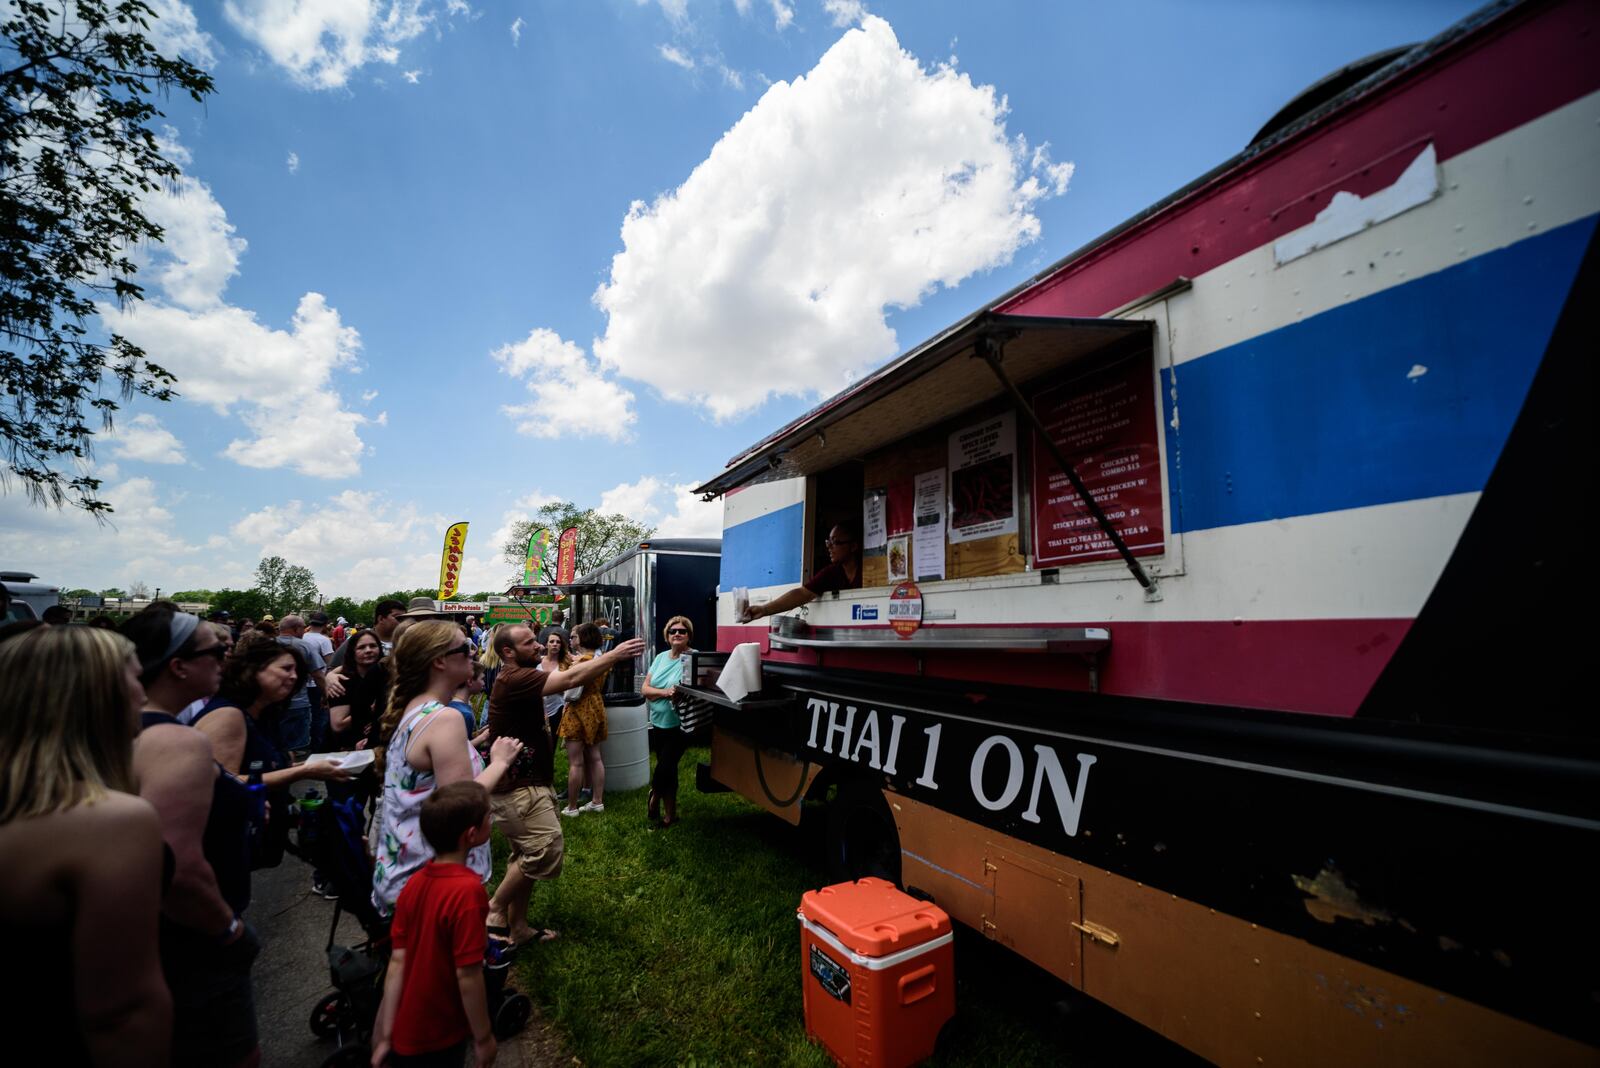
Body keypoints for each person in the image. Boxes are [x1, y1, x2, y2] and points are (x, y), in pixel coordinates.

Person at [0, 625, 173, 1067]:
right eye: (135, 679)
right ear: (97, 698)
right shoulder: (109, 821)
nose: (143, 693)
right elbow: (122, 1014)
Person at [123, 605, 261, 1068]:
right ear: (178, 666)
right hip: (192, 940)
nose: (226, 658)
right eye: (215, 651)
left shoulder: (122, 728)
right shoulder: (176, 741)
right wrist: (229, 930)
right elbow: (175, 864)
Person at [484, 625, 643, 946]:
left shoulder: (519, 675)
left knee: (525, 858)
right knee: (545, 849)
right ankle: (495, 908)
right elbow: (570, 680)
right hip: (518, 786)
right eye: (530, 643)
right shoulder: (513, 678)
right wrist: (613, 654)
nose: (539, 647)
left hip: (529, 781)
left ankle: (519, 928)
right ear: (508, 653)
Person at [371, 622, 523, 919]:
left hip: (407, 874)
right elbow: (461, 805)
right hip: (436, 886)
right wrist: (501, 761)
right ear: (440, 661)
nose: (474, 653)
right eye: (465, 649)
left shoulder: (414, 708)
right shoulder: (444, 719)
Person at [193, 635, 351, 870]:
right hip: (219, 850)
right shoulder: (228, 714)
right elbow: (226, 782)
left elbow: (263, 770)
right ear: (253, 670)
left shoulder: (264, 714)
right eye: (286, 669)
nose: (294, 677)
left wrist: (317, 767)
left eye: (297, 671)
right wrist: (305, 771)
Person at [370, 781, 498, 1068]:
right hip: (440, 1033)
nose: (493, 819)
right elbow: (468, 975)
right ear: (472, 834)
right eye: (490, 816)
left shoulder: (413, 885)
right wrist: (484, 1037)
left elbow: (397, 962)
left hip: (405, 1031)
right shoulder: (468, 892)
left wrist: (386, 1036)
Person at [740, 522, 862, 622]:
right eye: (828, 542)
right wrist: (764, 610)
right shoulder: (832, 573)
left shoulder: (870, 571)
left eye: (835, 542)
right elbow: (803, 593)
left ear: (853, 546)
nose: (829, 547)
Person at [641, 615, 695, 828]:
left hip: (681, 724)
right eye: (673, 631)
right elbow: (645, 689)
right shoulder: (661, 657)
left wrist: (657, 693)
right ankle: (670, 815)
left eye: (682, 631)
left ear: (689, 635)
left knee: (665, 766)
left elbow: (691, 689)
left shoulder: (693, 657)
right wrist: (664, 692)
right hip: (658, 721)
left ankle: (654, 797)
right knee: (669, 770)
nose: (677, 634)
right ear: (667, 635)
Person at [556, 622, 610, 818]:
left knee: (576, 762)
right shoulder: (601, 658)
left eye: (574, 637)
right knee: (595, 757)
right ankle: (597, 801)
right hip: (596, 705)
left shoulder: (580, 662)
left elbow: (565, 685)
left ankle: (571, 807)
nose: (571, 640)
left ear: (583, 638)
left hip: (578, 708)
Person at [327, 629, 389, 752]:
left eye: (373, 646)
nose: (368, 650)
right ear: (352, 653)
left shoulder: (386, 676)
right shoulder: (342, 682)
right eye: (361, 647)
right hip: (348, 748)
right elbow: (338, 725)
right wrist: (374, 711)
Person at [275, 614, 327, 757]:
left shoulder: (268, 644)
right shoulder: (304, 646)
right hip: (298, 704)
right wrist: (325, 695)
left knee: (274, 742)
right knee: (295, 748)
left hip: (271, 704)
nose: (305, 631)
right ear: (296, 629)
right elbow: (318, 675)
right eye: (303, 628)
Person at [538, 627, 572, 737]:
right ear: (546, 644)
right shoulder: (538, 662)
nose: (555, 644)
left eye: (558, 642)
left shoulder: (565, 664)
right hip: (538, 706)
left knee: (552, 739)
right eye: (551, 641)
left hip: (558, 707)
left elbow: (569, 686)